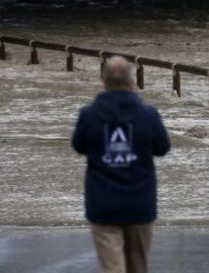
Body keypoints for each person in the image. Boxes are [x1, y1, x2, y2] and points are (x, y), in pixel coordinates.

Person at [72, 56, 171, 273]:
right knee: (138, 266)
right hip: (140, 203)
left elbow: (78, 146)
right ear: (131, 82)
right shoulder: (148, 115)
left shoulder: (89, 115)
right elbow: (163, 148)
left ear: (104, 82)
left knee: (111, 267)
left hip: (103, 204)